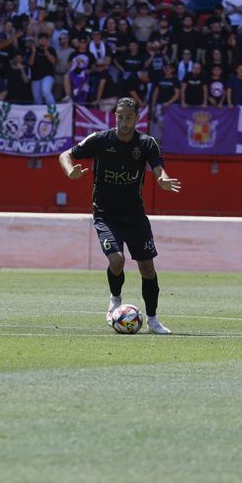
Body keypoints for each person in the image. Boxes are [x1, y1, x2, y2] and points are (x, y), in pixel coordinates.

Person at [58, 96, 183, 334]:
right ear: (115, 116)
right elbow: (65, 155)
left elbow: (159, 169)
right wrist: (70, 171)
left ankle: (153, 321)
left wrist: (162, 179)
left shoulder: (146, 143)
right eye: (120, 116)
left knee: (147, 268)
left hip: (135, 215)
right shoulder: (100, 140)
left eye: (128, 117)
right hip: (105, 214)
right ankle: (115, 301)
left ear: (137, 118)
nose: (123, 122)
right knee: (117, 260)